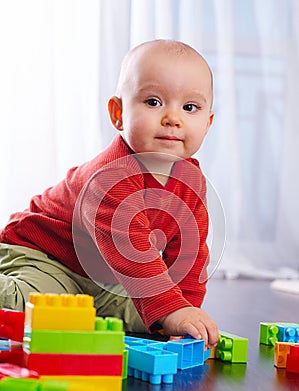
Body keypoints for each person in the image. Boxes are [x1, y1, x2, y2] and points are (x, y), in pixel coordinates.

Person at [0, 39, 218, 348]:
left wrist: (186, 312)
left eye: (190, 107)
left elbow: (190, 255)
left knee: (154, 315)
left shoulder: (191, 184)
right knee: (33, 311)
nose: (173, 118)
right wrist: (172, 309)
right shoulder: (110, 179)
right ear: (118, 113)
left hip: (105, 279)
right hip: (47, 257)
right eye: (153, 102)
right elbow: (132, 253)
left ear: (207, 123)